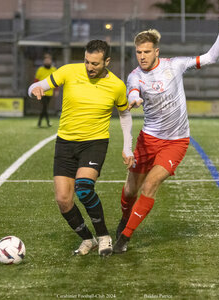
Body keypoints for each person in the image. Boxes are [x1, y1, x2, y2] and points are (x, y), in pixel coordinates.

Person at [113, 15, 219, 254]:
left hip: (176, 142)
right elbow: (133, 92)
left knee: (151, 184)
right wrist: (134, 99)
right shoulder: (134, 76)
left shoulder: (175, 65)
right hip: (148, 140)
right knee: (130, 191)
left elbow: (211, 58)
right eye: (138, 52)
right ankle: (124, 220)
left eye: (146, 51)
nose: (142, 56)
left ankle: (124, 238)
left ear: (156, 51)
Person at [28, 40, 134, 257]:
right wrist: (35, 89)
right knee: (63, 200)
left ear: (107, 61)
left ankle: (104, 236)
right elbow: (36, 86)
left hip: (94, 143)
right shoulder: (68, 71)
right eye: (87, 61)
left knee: (84, 189)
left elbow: (124, 114)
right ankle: (88, 238)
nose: (89, 67)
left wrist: (127, 147)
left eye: (95, 63)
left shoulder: (117, 85)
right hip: (65, 143)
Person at [34, 53, 57, 127]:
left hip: (50, 92)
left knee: (45, 108)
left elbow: (57, 80)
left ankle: (40, 122)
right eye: (46, 60)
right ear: (44, 61)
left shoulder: (54, 70)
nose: (47, 62)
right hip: (41, 92)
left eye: (48, 60)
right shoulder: (40, 70)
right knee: (45, 107)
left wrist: (56, 90)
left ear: (51, 61)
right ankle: (46, 122)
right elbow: (36, 80)